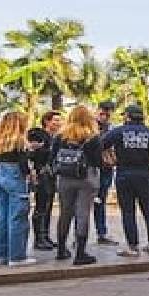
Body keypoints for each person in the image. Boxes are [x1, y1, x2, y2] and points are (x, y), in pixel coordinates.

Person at [101, 104, 149, 257]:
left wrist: (111, 157)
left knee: (128, 211)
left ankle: (133, 246)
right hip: (144, 174)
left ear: (128, 116)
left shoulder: (117, 132)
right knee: (148, 210)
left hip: (124, 173)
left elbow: (100, 145)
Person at [51, 106, 105, 266]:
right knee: (83, 214)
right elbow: (97, 162)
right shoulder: (93, 137)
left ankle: (61, 249)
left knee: (64, 213)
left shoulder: (60, 137)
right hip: (86, 178)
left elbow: (52, 158)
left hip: (65, 178)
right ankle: (80, 253)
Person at [0, 111, 36, 267]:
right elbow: (23, 165)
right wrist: (30, 174)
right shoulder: (19, 141)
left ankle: (0, 255)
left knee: (2, 217)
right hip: (15, 178)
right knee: (18, 217)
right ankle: (17, 256)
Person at [28, 111, 63, 251]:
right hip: (42, 173)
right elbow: (33, 153)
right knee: (41, 206)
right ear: (47, 121)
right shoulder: (38, 135)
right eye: (55, 120)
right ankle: (39, 238)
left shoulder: (58, 137)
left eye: (59, 121)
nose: (58, 123)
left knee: (48, 206)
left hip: (52, 174)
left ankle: (45, 235)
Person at [92, 101, 119, 246]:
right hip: (90, 169)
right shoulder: (89, 127)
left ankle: (101, 233)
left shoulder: (112, 128)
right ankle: (79, 235)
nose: (105, 116)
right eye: (103, 112)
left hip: (106, 168)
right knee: (81, 204)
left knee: (100, 202)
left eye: (108, 113)